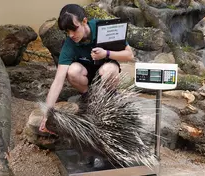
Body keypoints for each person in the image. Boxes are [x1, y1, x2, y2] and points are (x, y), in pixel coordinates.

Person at [39, 4, 134, 133]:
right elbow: (58, 80)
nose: (71, 35)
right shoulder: (69, 43)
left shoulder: (104, 28)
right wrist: (46, 115)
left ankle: (111, 96)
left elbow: (129, 55)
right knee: (72, 70)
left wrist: (106, 53)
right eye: (67, 31)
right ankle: (88, 96)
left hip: (107, 70)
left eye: (74, 29)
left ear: (84, 21)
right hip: (87, 76)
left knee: (106, 70)